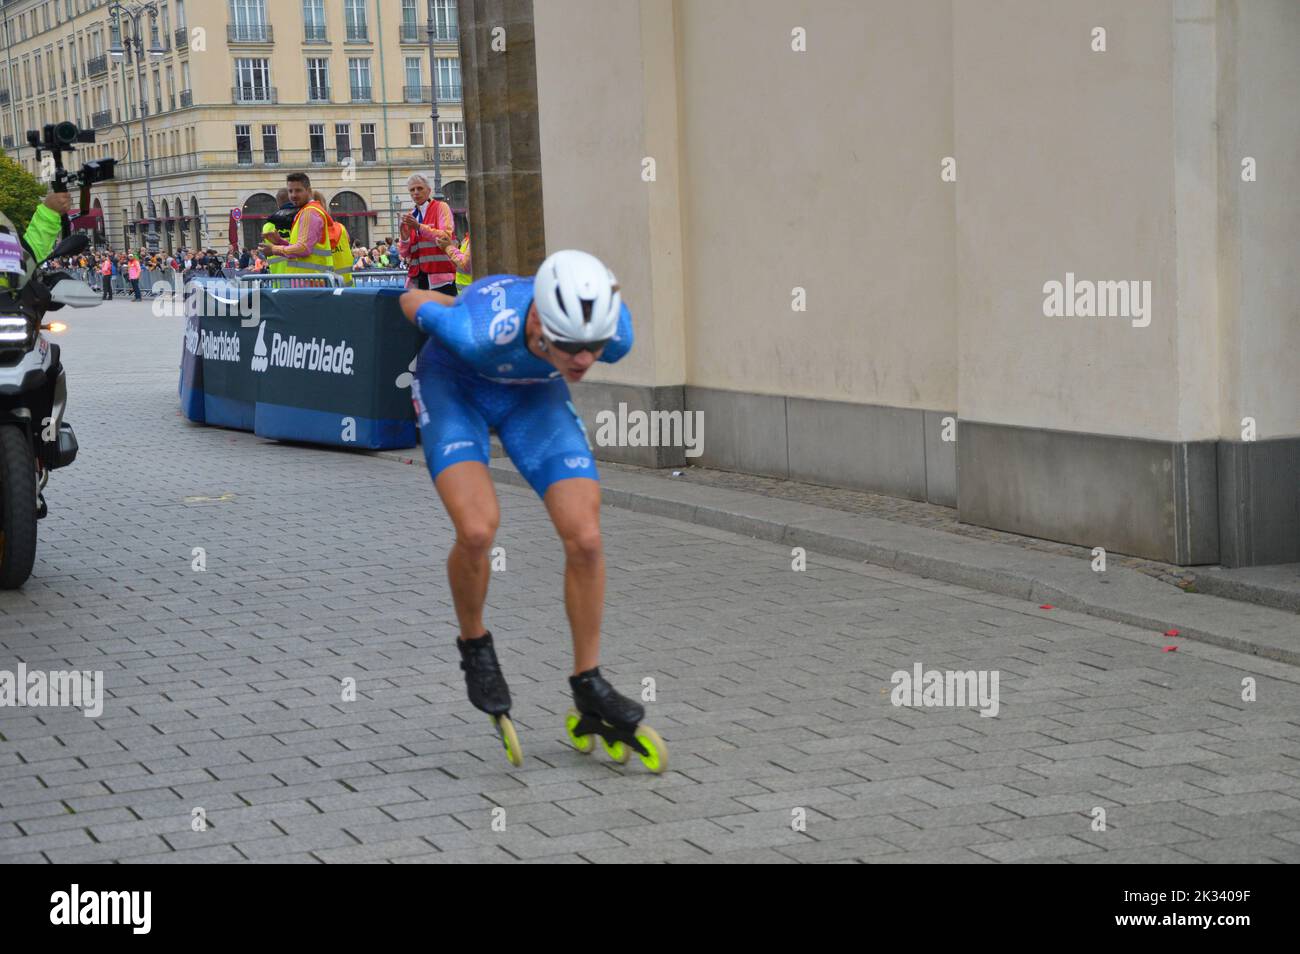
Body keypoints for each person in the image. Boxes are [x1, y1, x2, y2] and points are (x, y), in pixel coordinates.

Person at [396, 250, 666, 771]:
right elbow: (411, 299)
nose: (584, 360)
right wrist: (454, 305)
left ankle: (588, 681)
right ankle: (475, 646)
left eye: (593, 346)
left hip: (531, 396)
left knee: (585, 537)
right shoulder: (476, 330)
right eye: (571, 347)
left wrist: (569, 350)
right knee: (477, 529)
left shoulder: (614, 329)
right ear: (540, 321)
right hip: (456, 386)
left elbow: (589, 341)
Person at [397, 172, 456, 295]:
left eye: (420, 188)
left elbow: (445, 236)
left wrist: (419, 227)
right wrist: (405, 238)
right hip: (418, 279)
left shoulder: (441, 207)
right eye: (412, 190)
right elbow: (404, 253)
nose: (416, 192)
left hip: (441, 278)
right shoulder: (411, 215)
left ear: (429, 191)